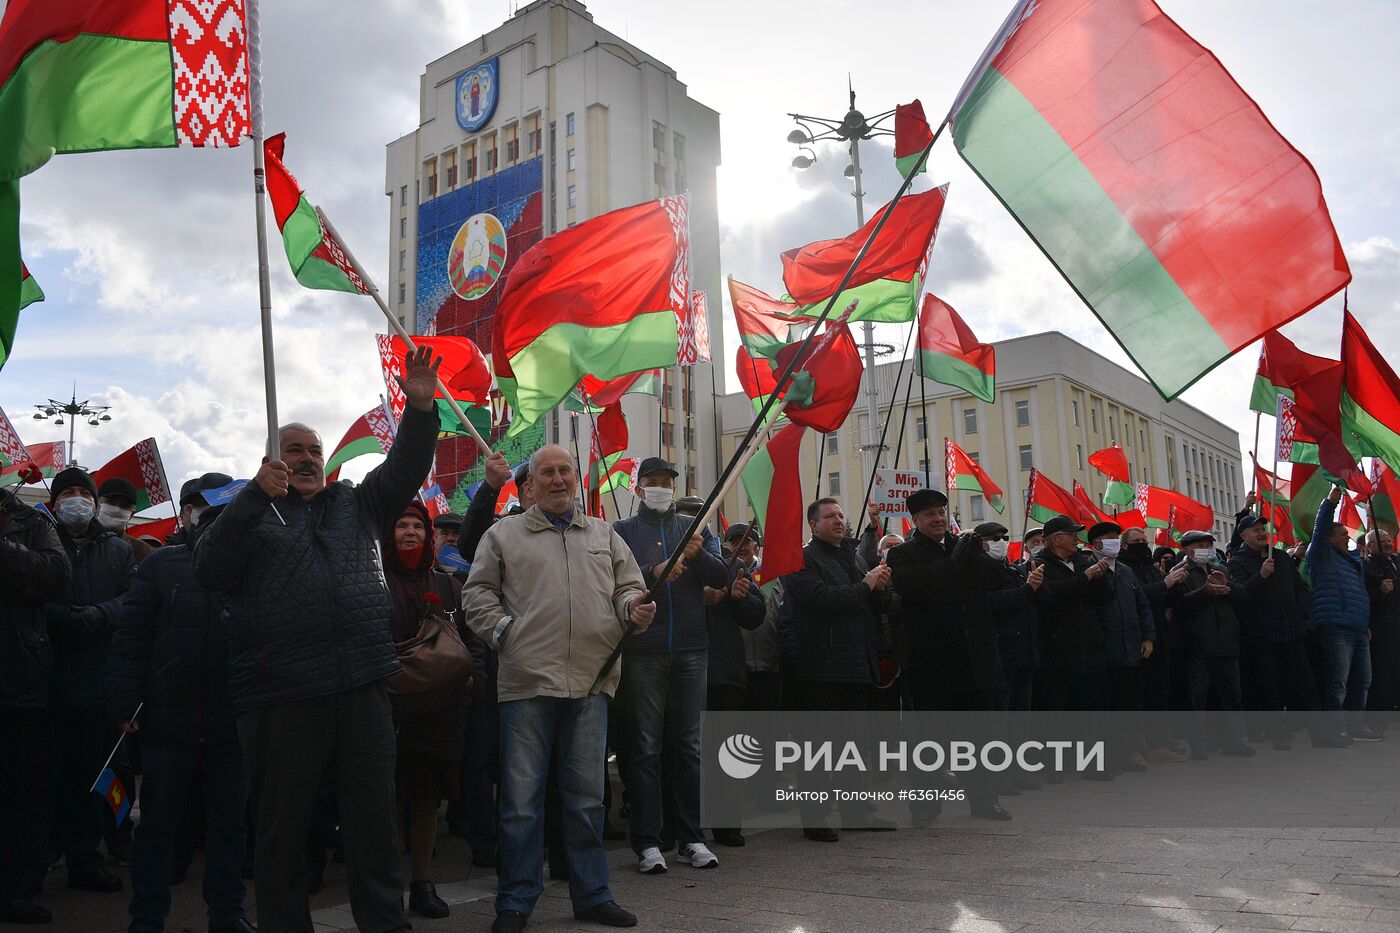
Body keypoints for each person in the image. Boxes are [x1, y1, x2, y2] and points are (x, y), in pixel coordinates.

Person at [193, 344, 442, 933]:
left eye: (314, 451)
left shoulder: (355, 504)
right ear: (269, 461)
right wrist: (255, 495)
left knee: (373, 826)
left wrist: (422, 404)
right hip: (282, 694)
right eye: (293, 451)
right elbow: (209, 571)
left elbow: (405, 467)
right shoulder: (248, 512)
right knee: (282, 833)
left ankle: (385, 923)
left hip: (360, 685)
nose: (306, 460)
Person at [463, 444, 654, 932]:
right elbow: (476, 595)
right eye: (546, 472)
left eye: (564, 471)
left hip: (592, 682)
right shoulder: (503, 535)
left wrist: (633, 608)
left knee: (588, 799)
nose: (557, 480)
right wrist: (506, 632)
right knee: (521, 803)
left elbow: (626, 588)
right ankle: (516, 901)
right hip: (527, 683)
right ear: (530, 486)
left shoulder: (604, 535)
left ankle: (592, 894)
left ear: (575, 479)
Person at [105, 473, 253, 933]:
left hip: (231, 719)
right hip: (170, 719)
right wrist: (126, 702)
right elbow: (131, 638)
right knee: (159, 827)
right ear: (192, 519)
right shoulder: (161, 565)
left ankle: (227, 914)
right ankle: (147, 917)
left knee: (229, 828)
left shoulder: (254, 564)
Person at [614, 457, 727, 874]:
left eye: (667, 482)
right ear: (639, 488)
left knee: (690, 747)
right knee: (644, 747)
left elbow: (721, 577)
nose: (661, 487)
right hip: (645, 650)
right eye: (653, 482)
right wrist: (651, 571)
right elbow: (612, 580)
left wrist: (697, 556)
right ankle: (647, 841)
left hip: (692, 649)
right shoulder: (622, 532)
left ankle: (692, 838)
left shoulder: (693, 529)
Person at [381, 500, 485, 919]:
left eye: (417, 526)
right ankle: (386, 888)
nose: (410, 533)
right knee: (384, 803)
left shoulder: (446, 585)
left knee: (426, 803)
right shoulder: (373, 581)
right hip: (385, 714)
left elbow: (472, 637)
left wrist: (473, 679)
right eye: (401, 525)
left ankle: (422, 882)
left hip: (438, 716)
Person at [888, 492, 1011, 820]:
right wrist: (953, 562)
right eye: (930, 514)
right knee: (929, 742)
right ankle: (925, 806)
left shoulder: (963, 546)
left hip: (975, 661)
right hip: (933, 664)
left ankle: (985, 800)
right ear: (915, 520)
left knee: (979, 738)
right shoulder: (904, 554)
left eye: (941, 512)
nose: (938, 519)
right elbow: (911, 584)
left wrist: (979, 555)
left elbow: (1001, 580)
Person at [44, 466, 136, 894]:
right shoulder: (39, 542)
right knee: (42, 778)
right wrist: (64, 619)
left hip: (97, 683)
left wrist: (99, 616)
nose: (77, 500)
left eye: (85, 493)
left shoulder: (117, 551)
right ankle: (35, 861)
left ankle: (86, 859)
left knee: (89, 777)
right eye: (69, 493)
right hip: (44, 682)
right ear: (53, 502)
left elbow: (131, 601)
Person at [782, 497, 893, 841]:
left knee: (855, 748)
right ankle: (814, 817)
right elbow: (821, 599)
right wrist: (866, 585)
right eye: (830, 516)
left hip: (858, 665)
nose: (839, 521)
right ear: (813, 525)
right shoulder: (802, 558)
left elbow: (872, 603)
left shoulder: (854, 557)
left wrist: (879, 586)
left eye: (842, 515)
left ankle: (855, 811)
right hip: (821, 668)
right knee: (818, 750)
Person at [0, 486, 71, 924]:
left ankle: (13, 889)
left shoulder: (31, 521)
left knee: (17, 793)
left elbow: (55, 576)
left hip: (17, 680)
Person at [1228, 514, 1337, 748]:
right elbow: (1241, 595)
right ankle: (1276, 734)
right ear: (1243, 535)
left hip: (1292, 632)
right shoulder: (1237, 562)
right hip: (1263, 636)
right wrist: (1261, 576)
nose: (1260, 532)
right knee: (1270, 686)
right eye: (1254, 529)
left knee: (1306, 686)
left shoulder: (1279, 557)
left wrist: (1301, 612)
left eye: (1262, 528)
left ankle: (1319, 734)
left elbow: (1299, 588)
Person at [1031, 515, 1113, 781]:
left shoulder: (1085, 561)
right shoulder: (1040, 564)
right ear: (1056, 539)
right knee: (1055, 710)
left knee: (1089, 708)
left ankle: (1091, 763)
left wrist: (1099, 576)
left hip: (1088, 645)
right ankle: (1052, 765)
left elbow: (1106, 598)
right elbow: (1048, 595)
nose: (1077, 539)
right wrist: (1084, 578)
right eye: (1071, 534)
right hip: (1056, 649)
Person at [704, 523, 766, 847]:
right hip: (681, 669)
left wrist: (741, 599)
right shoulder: (672, 564)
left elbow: (757, 615)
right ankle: (677, 827)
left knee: (725, 753)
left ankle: (726, 825)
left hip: (725, 672)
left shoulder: (732, 566)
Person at [1169, 530, 1254, 759]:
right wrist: (1205, 592)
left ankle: (1233, 741)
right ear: (1187, 549)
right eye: (1200, 545)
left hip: (1227, 643)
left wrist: (1228, 586)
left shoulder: (1222, 569)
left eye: (1208, 544)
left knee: (1232, 696)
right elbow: (1179, 606)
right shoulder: (1180, 573)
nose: (1206, 548)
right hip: (1197, 645)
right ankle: (1198, 744)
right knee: (1197, 698)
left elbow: (1243, 595)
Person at [1306, 487, 1380, 742]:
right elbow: (1320, 527)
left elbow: (1360, 595)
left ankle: (1357, 726)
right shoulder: (1320, 556)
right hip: (1335, 628)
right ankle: (1333, 729)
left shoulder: (1352, 562)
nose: (1347, 538)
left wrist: (1365, 623)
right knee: (1338, 683)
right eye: (1341, 534)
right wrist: (1330, 502)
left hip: (1358, 629)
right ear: (1328, 538)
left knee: (1363, 681)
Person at [977, 521, 1045, 793]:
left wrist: (1036, 583)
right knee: (998, 722)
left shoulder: (1014, 570)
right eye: (994, 538)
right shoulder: (979, 571)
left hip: (1024, 653)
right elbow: (993, 603)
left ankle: (1016, 769)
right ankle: (997, 775)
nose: (1001, 541)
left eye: (1004, 536)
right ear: (981, 542)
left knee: (1020, 718)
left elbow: (1038, 599)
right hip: (999, 654)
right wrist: (1028, 589)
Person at [1087, 522, 1155, 772]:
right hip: (1105, 650)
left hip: (1130, 649)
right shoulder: (1089, 568)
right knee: (1105, 708)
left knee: (1128, 705)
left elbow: (1142, 606)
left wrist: (1147, 637)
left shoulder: (1126, 571)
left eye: (1116, 537)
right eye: (1108, 538)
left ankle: (1128, 752)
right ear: (1095, 543)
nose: (1114, 541)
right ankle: (1106, 757)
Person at [1118, 527, 1189, 762]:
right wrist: (1165, 584)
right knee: (1137, 696)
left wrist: (1176, 584)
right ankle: (1135, 746)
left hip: (1160, 638)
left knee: (1159, 694)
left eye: (1143, 540)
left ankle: (1158, 742)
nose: (1142, 544)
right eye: (1136, 541)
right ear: (1125, 546)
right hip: (1136, 641)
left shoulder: (1151, 569)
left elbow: (1164, 599)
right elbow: (1137, 598)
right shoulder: (1123, 570)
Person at [1365, 529, 1399, 734]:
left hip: (1396, 626)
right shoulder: (1367, 567)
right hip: (1381, 629)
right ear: (1370, 546)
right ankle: (1378, 719)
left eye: (1389, 541)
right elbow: (1362, 597)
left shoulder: (1394, 563)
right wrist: (1380, 591)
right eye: (1382, 542)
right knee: (1382, 674)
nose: (1388, 544)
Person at [96, 477, 157, 564]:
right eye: (111, 502)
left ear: (132, 514)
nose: (117, 509)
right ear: (96, 505)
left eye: (124, 506)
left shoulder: (142, 551)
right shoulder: (78, 540)